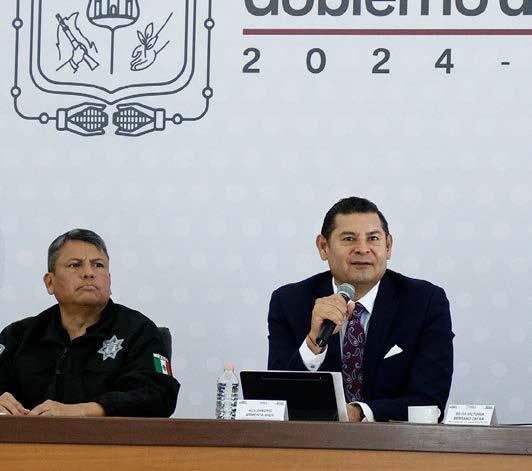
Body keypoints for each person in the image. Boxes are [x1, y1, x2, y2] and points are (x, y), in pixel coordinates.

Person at [267, 197, 454, 422]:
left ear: (388, 246)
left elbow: (430, 402)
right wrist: (313, 343)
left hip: (395, 441)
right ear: (323, 247)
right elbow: (275, 403)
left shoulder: (425, 302)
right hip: (312, 441)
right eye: (349, 239)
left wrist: (358, 412)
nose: (363, 249)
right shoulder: (289, 302)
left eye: (373, 238)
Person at [0, 229, 179, 417]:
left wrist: (85, 411)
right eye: (75, 265)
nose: (89, 273)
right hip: (29, 436)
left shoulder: (139, 331)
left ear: (109, 280)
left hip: (108, 437)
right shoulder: (17, 336)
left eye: (98, 265)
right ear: (50, 282)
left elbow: (160, 395)